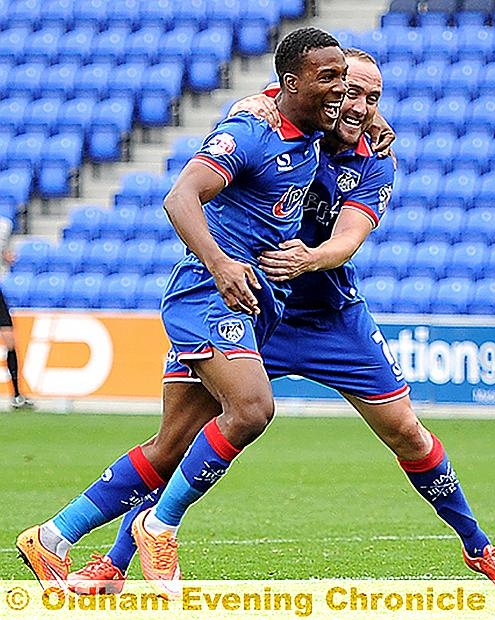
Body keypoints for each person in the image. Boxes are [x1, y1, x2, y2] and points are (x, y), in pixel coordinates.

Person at [62, 50, 495, 596]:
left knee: (405, 429)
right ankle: (115, 562)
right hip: (247, 303)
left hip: (330, 315)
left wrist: (312, 257)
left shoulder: (374, 158)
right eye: (350, 91)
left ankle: (479, 546)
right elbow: (252, 116)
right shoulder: (269, 121)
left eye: (372, 98)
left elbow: (348, 238)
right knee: (178, 438)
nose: (358, 105)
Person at [16, 27, 348, 597]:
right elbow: (180, 197)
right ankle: (158, 524)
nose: (340, 91)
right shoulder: (249, 131)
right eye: (329, 78)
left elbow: (352, 107)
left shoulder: (309, 123)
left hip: (252, 303)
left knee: (171, 445)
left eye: (344, 78)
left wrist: (375, 127)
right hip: (208, 294)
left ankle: (53, 535)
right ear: (290, 84)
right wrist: (220, 265)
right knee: (250, 408)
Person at [0, 214, 34, 410]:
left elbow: (5, 255)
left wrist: (8, 257)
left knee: (10, 340)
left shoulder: (4, 226)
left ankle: (17, 395)